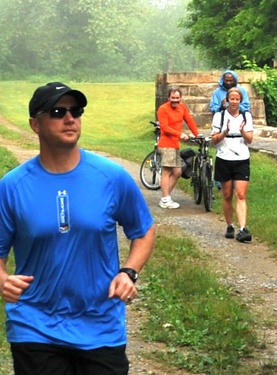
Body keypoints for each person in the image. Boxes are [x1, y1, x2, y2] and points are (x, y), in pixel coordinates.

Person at [0, 82, 156, 374]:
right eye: (58, 111)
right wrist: (2, 279)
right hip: (35, 324)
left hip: (100, 324)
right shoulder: (12, 186)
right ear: (35, 124)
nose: (70, 118)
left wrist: (129, 272)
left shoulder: (110, 177)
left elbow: (144, 230)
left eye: (76, 111)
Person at [211, 87, 254, 242]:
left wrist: (242, 131)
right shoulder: (219, 116)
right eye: (232, 99)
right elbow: (214, 139)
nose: (234, 102)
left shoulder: (246, 116)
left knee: (241, 194)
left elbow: (250, 139)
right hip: (224, 158)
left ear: (240, 101)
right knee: (227, 194)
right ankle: (230, 225)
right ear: (227, 100)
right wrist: (225, 131)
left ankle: (243, 228)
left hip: (242, 158)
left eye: (237, 99)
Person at [156, 87, 201, 209]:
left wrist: (197, 135)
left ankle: (166, 197)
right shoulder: (163, 109)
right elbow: (164, 127)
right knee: (167, 172)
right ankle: (165, 199)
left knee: (177, 172)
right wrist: (179, 134)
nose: (175, 100)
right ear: (168, 98)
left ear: (180, 98)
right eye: (173, 98)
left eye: (177, 98)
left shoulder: (182, 107)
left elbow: (189, 120)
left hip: (175, 145)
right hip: (166, 145)